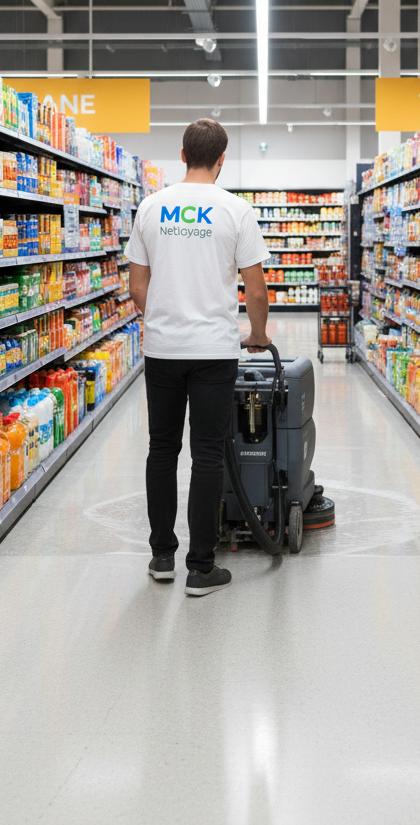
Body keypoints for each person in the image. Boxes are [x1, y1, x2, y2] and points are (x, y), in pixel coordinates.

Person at [126, 119, 270, 596]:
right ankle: (200, 568)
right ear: (222, 159)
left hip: (162, 348)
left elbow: (136, 288)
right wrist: (257, 333)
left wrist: (165, 316)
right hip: (214, 351)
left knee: (161, 449)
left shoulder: (151, 206)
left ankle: (162, 555)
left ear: (182, 153)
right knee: (207, 454)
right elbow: (255, 287)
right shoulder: (235, 210)